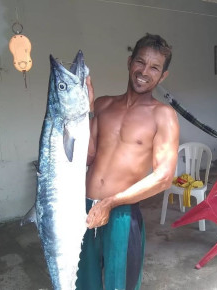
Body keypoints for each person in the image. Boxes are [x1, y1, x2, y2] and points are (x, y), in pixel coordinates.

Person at [76, 33, 179, 290]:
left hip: (121, 213)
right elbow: (87, 157)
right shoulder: (102, 105)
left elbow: (164, 177)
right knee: (81, 283)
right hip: (83, 209)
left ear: (162, 75)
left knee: (118, 285)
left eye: (154, 67)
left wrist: (111, 203)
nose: (145, 71)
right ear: (129, 61)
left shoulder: (163, 115)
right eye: (140, 62)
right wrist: (85, 110)